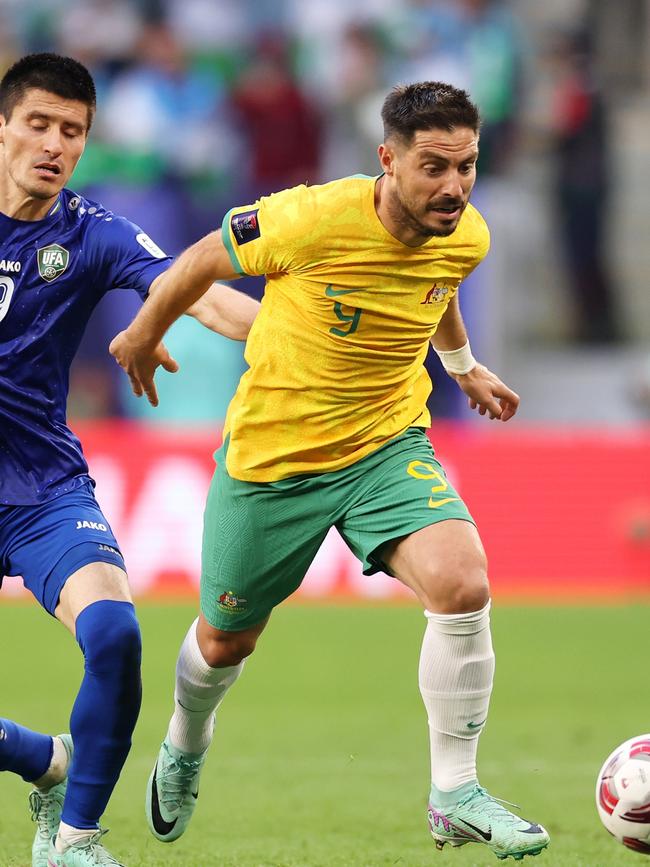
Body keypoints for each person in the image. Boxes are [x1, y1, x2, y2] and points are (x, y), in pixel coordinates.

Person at [110, 81, 551, 861]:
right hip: (274, 461)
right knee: (222, 643)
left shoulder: (466, 232)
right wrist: (145, 333)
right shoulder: (310, 216)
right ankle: (184, 740)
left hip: (386, 444)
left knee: (463, 582)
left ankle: (455, 790)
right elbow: (203, 258)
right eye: (434, 167)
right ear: (388, 160)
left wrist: (462, 365)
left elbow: (437, 286)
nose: (453, 186)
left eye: (467, 166)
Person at [0, 53, 258, 867]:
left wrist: (295, 336)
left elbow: (192, 288)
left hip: (40, 486)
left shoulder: (91, 232)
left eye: (71, 131)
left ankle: (74, 839)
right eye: (37, 123)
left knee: (114, 632)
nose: (53, 143)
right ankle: (45, 760)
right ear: (3, 126)